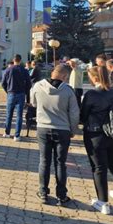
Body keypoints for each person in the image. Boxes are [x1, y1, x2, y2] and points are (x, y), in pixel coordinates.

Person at [81, 66, 113, 215]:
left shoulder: (91, 94)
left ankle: (103, 202)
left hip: (96, 134)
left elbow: (83, 115)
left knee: (99, 168)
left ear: (94, 78)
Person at [31, 65, 80, 206]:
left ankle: (43, 193)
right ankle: (61, 195)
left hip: (43, 128)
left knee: (44, 161)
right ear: (65, 76)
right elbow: (74, 113)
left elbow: (33, 103)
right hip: (62, 129)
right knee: (60, 163)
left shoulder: (38, 85)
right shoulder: (68, 90)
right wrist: (73, 129)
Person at [2, 54, 32, 141]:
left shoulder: (8, 69)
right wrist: (27, 95)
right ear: (20, 60)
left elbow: (3, 83)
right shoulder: (24, 70)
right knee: (19, 116)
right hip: (21, 94)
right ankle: (17, 135)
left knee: (9, 114)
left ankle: (7, 133)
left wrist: (8, 91)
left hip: (11, 93)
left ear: (13, 60)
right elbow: (29, 84)